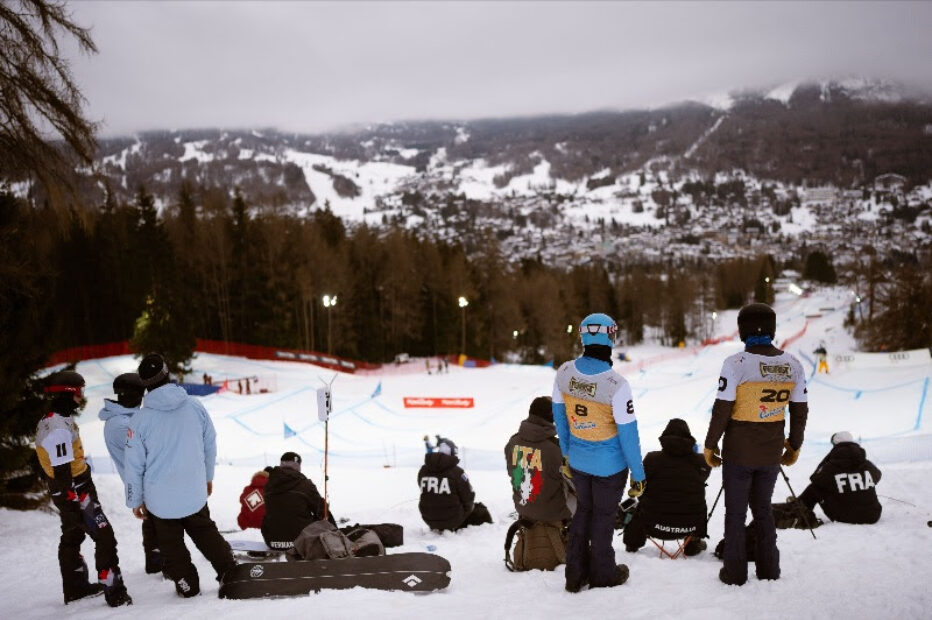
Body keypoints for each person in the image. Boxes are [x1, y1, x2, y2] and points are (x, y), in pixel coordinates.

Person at [703, 303, 808, 586]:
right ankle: (769, 569)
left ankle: (735, 573)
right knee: (763, 511)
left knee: (735, 515)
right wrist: (794, 446)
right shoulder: (794, 364)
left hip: (738, 452)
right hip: (771, 452)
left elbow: (722, 410)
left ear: (743, 330)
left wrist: (710, 445)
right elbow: (799, 411)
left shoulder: (736, 363)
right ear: (771, 329)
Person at [124, 353, 235, 598]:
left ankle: (187, 585)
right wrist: (207, 476)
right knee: (206, 532)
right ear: (167, 374)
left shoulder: (139, 421)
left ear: (145, 385)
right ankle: (230, 571)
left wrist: (134, 500)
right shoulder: (195, 406)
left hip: (159, 500)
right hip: (193, 490)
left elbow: (133, 465)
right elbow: (210, 444)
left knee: (171, 546)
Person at [553, 313, 646, 592]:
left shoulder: (565, 373)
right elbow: (629, 436)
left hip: (579, 461)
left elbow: (560, 418)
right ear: (611, 337)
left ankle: (574, 574)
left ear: (583, 336)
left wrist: (567, 454)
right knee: (603, 518)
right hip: (609, 467)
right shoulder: (616, 385)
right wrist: (638, 476)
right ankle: (603, 574)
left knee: (583, 512)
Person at [35, 370, 132, 607]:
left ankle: (75, 587)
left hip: (71, 487)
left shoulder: (53, 419)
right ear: (67, 394)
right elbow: (61, 471)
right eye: (79, 392)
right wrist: (71, 503)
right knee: (104, 535)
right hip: (75, 490)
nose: (81, 397)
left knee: (73, 534)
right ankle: (114, 591)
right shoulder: (58, 428)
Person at [98, 372, 163, 574]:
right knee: (159, 523)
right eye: (140, 393)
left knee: (156, 522)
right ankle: (159, 561)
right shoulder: (120, 424)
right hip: (144, 481)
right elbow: (145, 454)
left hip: (147, 480)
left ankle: (156, 561)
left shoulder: (127, 418)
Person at [623, 418, 711, 556]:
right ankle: (693, 543)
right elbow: (700, 480)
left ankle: (632, 544)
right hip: (690, 526)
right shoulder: (702, 462)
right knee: (696, 500)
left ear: (664, 438)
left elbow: (637, 488)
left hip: (654, 525)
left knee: (634, 506)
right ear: (689, 438)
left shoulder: (652, 459)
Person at [504, 396, 573, 525]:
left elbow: (512, 473)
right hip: (553, 513)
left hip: (523, 508)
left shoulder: (513, 442)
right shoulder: (556, 449)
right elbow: (575, 482)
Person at [795, 431, 882, 524]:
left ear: (835, 445)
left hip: (846, 517)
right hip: (873, 515)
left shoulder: (832, 466)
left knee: (815, 488)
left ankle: (798, 509)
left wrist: (828, 459)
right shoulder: (866, 463)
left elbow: (815, 479)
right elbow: (877, 476)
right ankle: (799, 506)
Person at [261, 452, 334, 550]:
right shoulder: (305, 485)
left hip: (272, 542)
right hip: (301, 542)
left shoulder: (268, 484)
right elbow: (322, 511)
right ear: (298, 465)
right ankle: (336, 540)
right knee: (323, 511)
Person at [418, 437, 492, 531]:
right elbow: (468, 498)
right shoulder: (458, 472)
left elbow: (423, 489)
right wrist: (465, 512)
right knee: (481, 510)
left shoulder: (423, 471)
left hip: (428, 519)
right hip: (452, 520)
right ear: (453, 453)